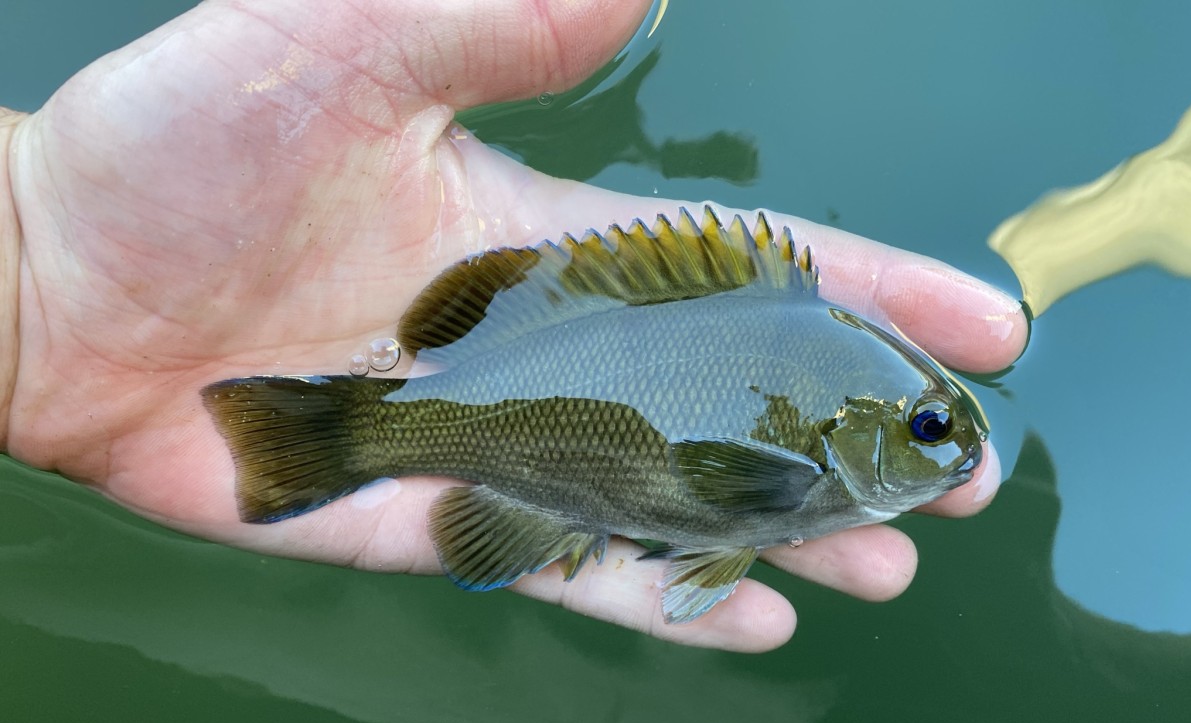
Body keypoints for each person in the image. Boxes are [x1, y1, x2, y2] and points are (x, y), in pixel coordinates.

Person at [0, 0, 1027, 652]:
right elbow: (727, 491)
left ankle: (335, 437)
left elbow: (723, 492)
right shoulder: (812, 438)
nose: (948, 439)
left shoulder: (815, 399)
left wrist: (31, 256)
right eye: (930, 425)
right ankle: (342, 436)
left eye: (935, 425)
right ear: (856, 427)